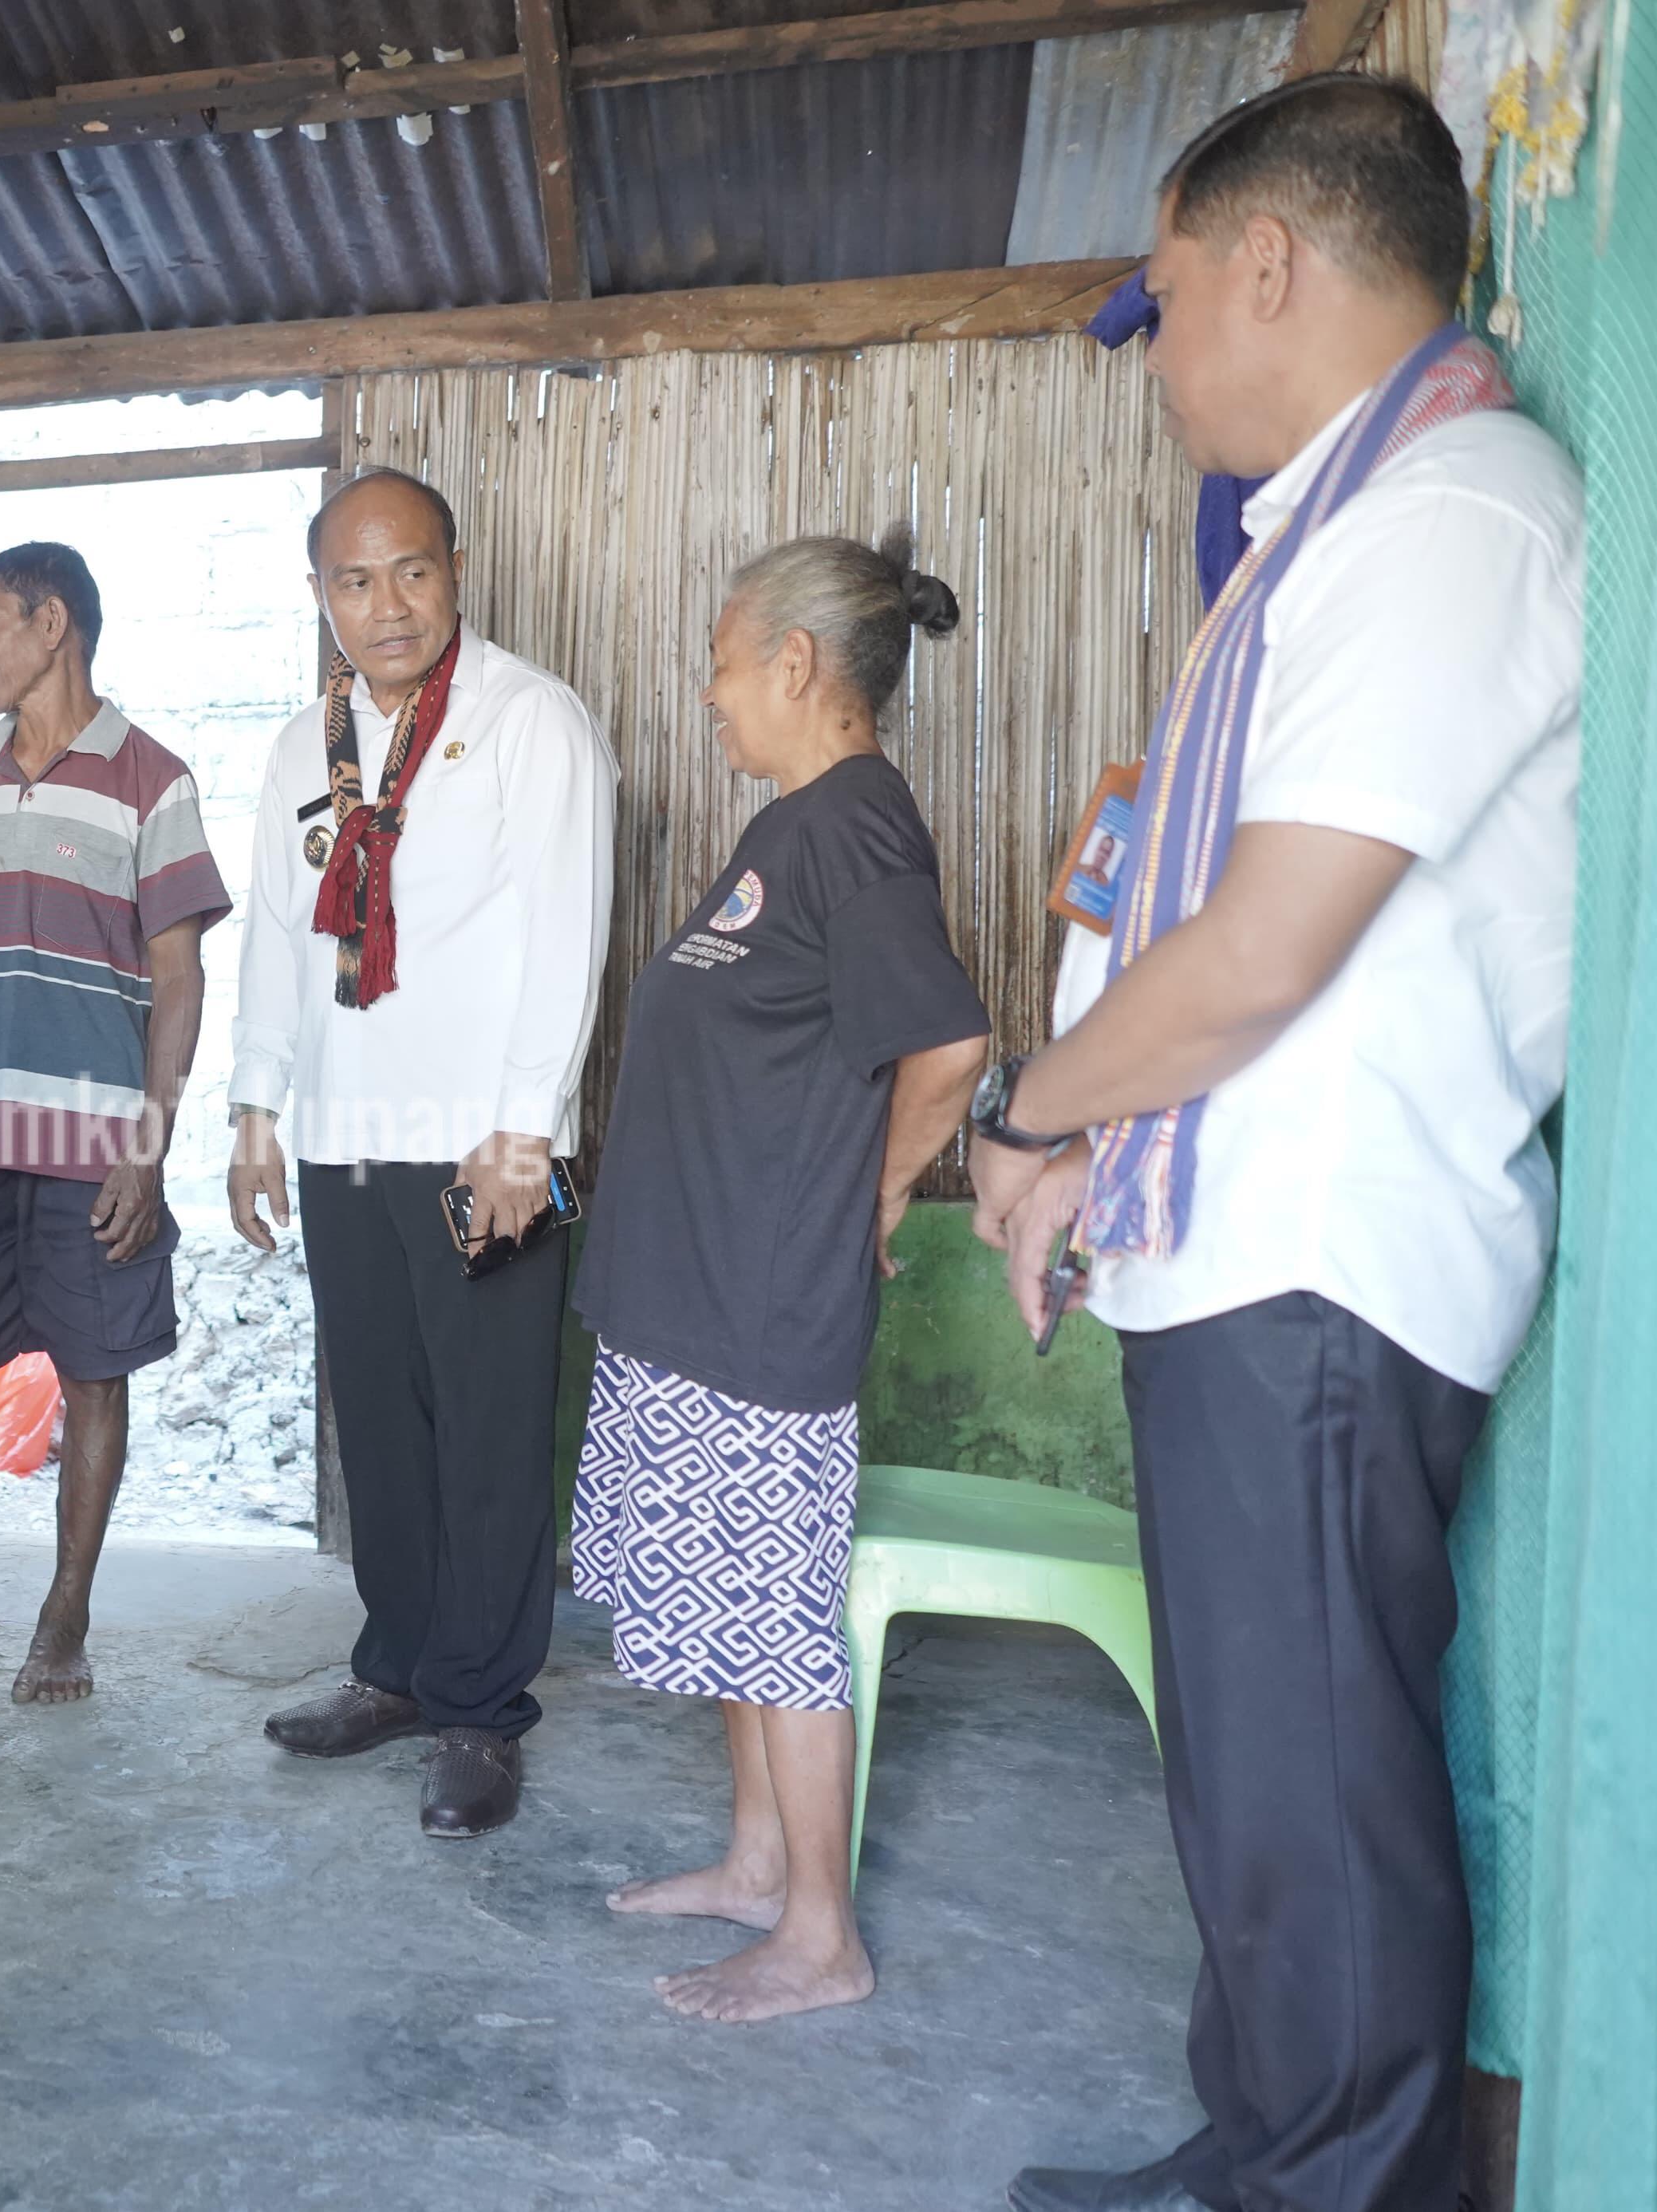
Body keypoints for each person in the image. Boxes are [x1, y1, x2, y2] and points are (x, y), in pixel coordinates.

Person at [969, 77, 1580, 2212]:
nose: (1160, 369)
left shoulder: (1451, 510)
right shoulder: (1339, 522)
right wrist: (1073, 1153)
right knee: (1257, 1789)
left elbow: (1261, 945)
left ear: (1270, 264)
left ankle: (1340, 2177)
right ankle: (1263, 2148)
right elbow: (1181, 914)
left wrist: (1023, 1108)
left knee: (1313, 1796)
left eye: (1163, 305)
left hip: (1331, 1248)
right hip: (1241, 1239)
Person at [568, 528, 992, 2024]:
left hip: (761, 1300)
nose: (707, 692)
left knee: (781, 1617)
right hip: (700, 1289)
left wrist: (870, 1193)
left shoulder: (857, 825)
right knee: (744, 1609)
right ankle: (758, 1865)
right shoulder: (797, 825)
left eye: (724, 660)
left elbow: (947, 1045)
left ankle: (822, 1933)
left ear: (799, 665)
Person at [230, 467, 617, 1838]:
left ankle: (480, 1709)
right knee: (382, 1423)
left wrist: (528, 1129)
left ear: (458, 568)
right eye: (353, 580)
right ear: (322, 595)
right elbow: (282, 939)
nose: (385, 605)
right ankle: (393, 1666)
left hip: (488, 1148)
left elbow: (570, 936)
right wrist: (255, 1110)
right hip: (342, 1139)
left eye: (410, 572)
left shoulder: (530, 720)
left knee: (495, 1428)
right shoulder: (304, 745)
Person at [0, 542, 231, 1702]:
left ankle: (62, 1619)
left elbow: (180, 978)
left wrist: (149, 1145)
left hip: (92, 1152)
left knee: (95, 1376)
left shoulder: (150, 779)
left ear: (52, 622)